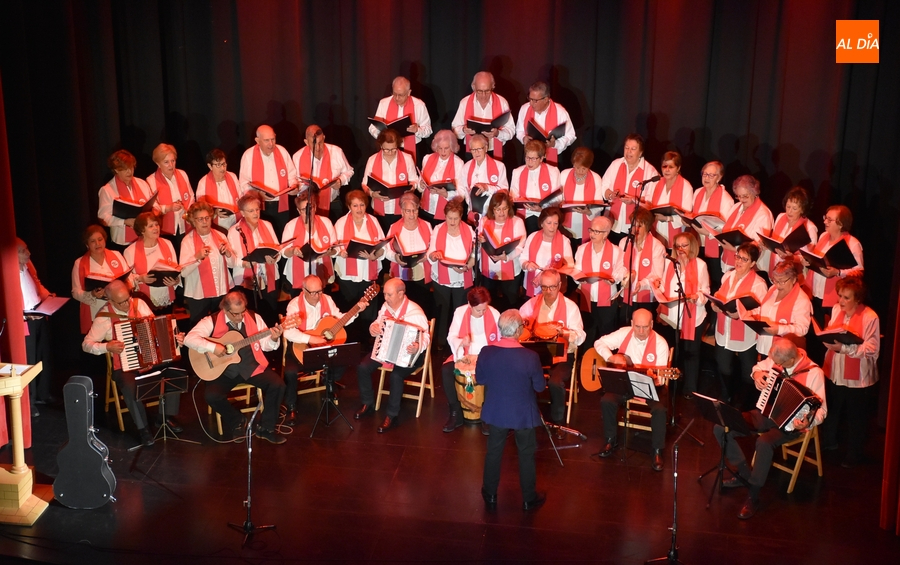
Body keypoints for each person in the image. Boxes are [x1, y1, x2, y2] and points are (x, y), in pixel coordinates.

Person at [713, 338, 827, 519]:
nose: (774, 364)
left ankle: (754, 495)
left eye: (778, 363)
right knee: (722, 426)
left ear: (790, 360)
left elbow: (822, 411)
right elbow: (758, 366)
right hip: (766, 413)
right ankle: (744, 475)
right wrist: (756, 374)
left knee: (764, 442)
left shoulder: (814, 373)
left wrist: (808, 422)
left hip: (791, 425)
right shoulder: (778, 357)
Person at [82, 280, 183, 446]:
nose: (126, 304)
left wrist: (173, 337)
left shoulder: (139, 304)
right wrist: (106, 346)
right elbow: (86, 344)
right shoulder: (104, 317)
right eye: (121, 302)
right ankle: (143, 429)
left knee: (173, 370)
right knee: (129, 386)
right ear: (110, 301)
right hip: (125, 366)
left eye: (127, 298)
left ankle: (165, 417)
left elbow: (155, 328)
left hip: (150, 360)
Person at [183, 291, 286, 444]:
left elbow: (266, 346)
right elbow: (189, 339)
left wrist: (274, 338)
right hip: (223, 371)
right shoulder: (211, 320)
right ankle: (237, 420)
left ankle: (266, 429)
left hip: (250, 366)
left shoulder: (254, 317)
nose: (240, 317)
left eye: (242, 312)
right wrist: (213, 347)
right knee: (211, 396)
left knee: (277, 385)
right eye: (235, 314)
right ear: (225, 310)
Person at [477, 309, 547, 512]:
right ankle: (528, 498)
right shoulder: (530, 357)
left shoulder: (486, 352)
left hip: (496, 411)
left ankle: (489, 494)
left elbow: (481, 379)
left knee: (494, 452)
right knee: (526, 454)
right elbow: (540, 387)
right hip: (523, 414)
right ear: (518, 331)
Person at [281, 275, 367, 426]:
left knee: (343, 359)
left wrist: (356, 311)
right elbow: (288, 332)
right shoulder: (294, 305)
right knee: (290, 372)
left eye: (319, 292)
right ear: (303, 290)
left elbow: (339, 319)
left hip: (322, 349)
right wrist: (311, 339)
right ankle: (292, 406)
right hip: (300, 348)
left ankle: (329, 383)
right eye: (312, 292)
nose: (317, 296)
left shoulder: (327, 299)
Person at [594, 308, 670, 471]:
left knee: (659, 409)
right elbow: (599, 342)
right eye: (637, 327)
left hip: (649, 385)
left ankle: (657, 450)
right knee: (607, 400)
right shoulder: (624, 333)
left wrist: (654, 378)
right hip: (625, 383)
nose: (641, 332)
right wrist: (610, 357)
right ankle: (610, 439)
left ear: (652, 324)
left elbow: (662, 378)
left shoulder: (660, 343)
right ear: (631, 324)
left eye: (645, 327)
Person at [354, 278, 430, 433]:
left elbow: (425, 336)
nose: (385, 298)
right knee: (363, 367)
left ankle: (392, 415)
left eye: (389, 295)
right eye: (385, 294)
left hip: (411, 354)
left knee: (396, 376)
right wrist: (373, 328)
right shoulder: (385, 307)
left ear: (401, 294)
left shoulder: (415, 312)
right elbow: (377, 322)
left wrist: (417, 346)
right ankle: (367, 403)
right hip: (386, 349)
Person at [820, 277, 879, 468]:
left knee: (856, 418)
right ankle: (829, 442)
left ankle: (855, 454)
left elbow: (872, 349)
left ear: (858, 299)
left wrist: (846, 348)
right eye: (840, 296)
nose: (841, 301)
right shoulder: (837, 310)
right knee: (832, 410)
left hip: (858, 379)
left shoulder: (870, 317)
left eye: (846, 297)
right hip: (835, 371)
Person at [518, 269, 585, 426]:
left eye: (552, 287)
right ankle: (528, 416)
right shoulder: (532, 304)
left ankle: (557, 421)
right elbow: (518, 324)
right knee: (520, 375)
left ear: (560, 285)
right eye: (544, 287)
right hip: (537, 354)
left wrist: (565, 332)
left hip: (562, 354)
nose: (548, 292)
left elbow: (581, 337)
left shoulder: (571, 307)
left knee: (555, 382)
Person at [803, 205, 864, 363]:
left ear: (841, 223)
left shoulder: (852, 243)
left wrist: (838, 273)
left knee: (828, 338)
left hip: (833, 298)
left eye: (830, 219)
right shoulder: (824, 236)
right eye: (826, 217)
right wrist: (807, 261)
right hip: (814, 293)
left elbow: (859, 271)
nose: (825, 221)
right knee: (813, 336)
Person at [651, 231, 709, 397]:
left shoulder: (700, 265)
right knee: (672, 352)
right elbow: (664, 287)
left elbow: (705, 291)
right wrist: (657, 286)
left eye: (685, 245)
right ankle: (669, 386)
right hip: (671, 316)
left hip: (693, 315)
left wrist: (696, 297)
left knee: (691, 354)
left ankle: (689, 389)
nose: (681, 249)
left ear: (692, 246)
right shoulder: (670, 263)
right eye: (678, 246)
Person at [711, 242, 768, 408]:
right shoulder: (727, 276)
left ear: (752, 263)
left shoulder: (758, 284)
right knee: (723, 366)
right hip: (724, 330)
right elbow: (720, 295)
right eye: (737, 256)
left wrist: (741, 314)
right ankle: (726, 396)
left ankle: (744, 405)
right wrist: (715, 304)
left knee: (747, 371)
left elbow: (761, 313)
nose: (738, 261)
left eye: (744, 259)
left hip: (746, 335)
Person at [442, 287, 501, 432]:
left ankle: (487, 415)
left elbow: (500, 339)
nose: (482, 313)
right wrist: (461, 342)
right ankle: (455, 413)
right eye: (478, 310)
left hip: (487, 356)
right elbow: (451, 336)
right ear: (470, 305)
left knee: (493, 372)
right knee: (446, 370)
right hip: (464, 355)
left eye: (484, 309)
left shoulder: (494, 313)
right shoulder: (460, 312)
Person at [333, 190, 386, 342]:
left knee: (368, 310)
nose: (359, 209)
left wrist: (375, 255)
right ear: (349, 206)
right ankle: (350, 342)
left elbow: (383, 245)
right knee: (350, 310)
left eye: (362, 205)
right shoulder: (341, 223)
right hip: (348, 275)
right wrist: (340, 252)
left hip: (367, 273)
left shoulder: (373, 221)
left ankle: (368, 342)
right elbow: (333, 246)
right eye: (355, 205)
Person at [427, 197, 476, 351]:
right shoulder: (438, 229)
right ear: (445, 216)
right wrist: (434, 255)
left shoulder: (468, 230)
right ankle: (441, 342)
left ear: (461, 217)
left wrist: (467, 267)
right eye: (449, 218)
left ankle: (461, 342)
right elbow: (431, 251)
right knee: (442, 310)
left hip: (462, 277)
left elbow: (474, 255)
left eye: (456, 218)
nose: (452, 222)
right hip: (441, 276)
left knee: (460, 310)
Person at [227, 192, 282, 325]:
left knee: (270, 313)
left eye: (257, 209)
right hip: (245, 280)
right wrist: (245, 264)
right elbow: (231, 261)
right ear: (242, 212)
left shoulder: (267, 225)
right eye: (251, 210)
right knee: (251, 317)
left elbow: (278, 251)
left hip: (269, 277)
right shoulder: (234, 231)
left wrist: (274, 258)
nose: (255, 213)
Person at [179, 200, 236, 327]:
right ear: (193, 221)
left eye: (207, 218)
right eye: (200, 219)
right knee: (199, 327)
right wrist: (197, 257)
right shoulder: (187, 241)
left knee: (221, 325)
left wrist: (227, 253)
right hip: (198, 294)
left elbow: (232, 264)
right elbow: (183, 272)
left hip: (220, 291)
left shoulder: (220, 235)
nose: (204, 222)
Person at [238, 124, 299, 237]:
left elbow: (292, 175)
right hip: (260, 206)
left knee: (282, 236)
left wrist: (294, 186)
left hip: (281, 205)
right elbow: (243, 183)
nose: (271, 144)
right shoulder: (249, 155)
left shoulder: (282, 151)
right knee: (265, 237)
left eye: (273, 139)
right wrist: (257, 193)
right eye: (266, 140)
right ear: (257, 140)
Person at [574, 216, 627, 343]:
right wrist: (580, 279)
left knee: (606, 334)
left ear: (606, 234)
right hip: (587, 298)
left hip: (607, 300)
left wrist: (613, 279)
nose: (592, 234)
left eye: (596, 231)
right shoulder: (582, 249)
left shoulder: (615, 251)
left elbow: (622, 270)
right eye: (591, 230)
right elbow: (576, 270)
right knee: (588, 333)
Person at [71, 225, 131, 333]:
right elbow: (75, 292)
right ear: (87, 244)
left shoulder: (116, 255)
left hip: (119, 310)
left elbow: (129, 279)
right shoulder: (79, 263)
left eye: (100, 239)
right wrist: (93, 294)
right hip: (96, 313)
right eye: (93, 241)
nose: (98, 244)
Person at [18, 238, 54, 413]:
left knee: (42, 357)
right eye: (23, 251)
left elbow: (37, 287)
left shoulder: (27, 267)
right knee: (29, 361)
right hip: (24, 322)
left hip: (38, 316)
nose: (28, 253)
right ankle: (29, 403)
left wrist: (48, 299)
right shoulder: (9, 273)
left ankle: (42, 393)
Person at [291, 124, 354, 223]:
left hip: (332, 204)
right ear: (306, 142)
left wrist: (340, 181)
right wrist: (296, 186)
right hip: (308, 206)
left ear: (324, 137)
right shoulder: (297, 157)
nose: (318, 147)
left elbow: (349, 171)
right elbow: (293, 180)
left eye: (320, 142)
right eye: (314, 143)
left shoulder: (336, 152)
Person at [362, 128, 419, 234]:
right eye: (386, 150)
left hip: (401, 208)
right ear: (381, 146)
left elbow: (414, 180)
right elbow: (365, 183)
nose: (390, 153)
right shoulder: (372, 160)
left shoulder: (407, 158)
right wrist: (372, 194)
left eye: (393, 149)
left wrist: (411, 189)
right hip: (380, 209)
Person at [384, 192, 433, 315]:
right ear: (402, 211)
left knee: (421, 307)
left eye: (415, 210)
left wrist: (426, 256)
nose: (412, 215)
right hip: (400, 275)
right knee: (401, 309)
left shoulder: (427, 225)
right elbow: (386, 251)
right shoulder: (394, 227)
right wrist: (395, 257)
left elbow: (433, 247)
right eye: (408, 211)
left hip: (421, 273)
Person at [602, 134, 660, 237]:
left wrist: (634, 200)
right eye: (626, 148)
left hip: (636, 226)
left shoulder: (650, 171)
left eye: (633, 149)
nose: (629, 152)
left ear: (640, 152)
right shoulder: (616, 164)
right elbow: (603, 186)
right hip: (613, 223)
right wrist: (611, 195)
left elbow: (652, 201)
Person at [98, 149, 158, 247]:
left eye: (131, 167)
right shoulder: (107, 190)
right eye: (125, 169)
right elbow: (103, 217)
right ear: (116, 170)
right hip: (124, 242)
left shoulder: (142, 183)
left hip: (145, 238)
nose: (129, 172)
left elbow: (154, 205)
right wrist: (124, 222)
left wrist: (155, 211)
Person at [281, 189, 338, 294]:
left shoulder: (326, 222)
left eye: (310, 208)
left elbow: (336, 249)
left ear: (315, 207)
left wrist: (330, 252)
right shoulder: (291, 226)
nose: (308, 212)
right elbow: (283, 252)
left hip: (323, 272)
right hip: (298, 274)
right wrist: (293, 251)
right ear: (298, 211)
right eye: (303, 209)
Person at [478, 191, 527, 311]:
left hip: (510, 269)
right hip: (489, 269)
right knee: (489, 303)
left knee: (510, 304)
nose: (501, 212)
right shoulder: (484, 221)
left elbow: (520, 246)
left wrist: (506, 257)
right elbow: (477, 244)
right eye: (498, 209)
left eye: (505, 208)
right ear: (492, 209)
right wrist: (480, 240)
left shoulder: (517, 222)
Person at [123, 212, 180, 314]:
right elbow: (127, 279)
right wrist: (141, 278)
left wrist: (175, 281)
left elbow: (176, 269)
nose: (155, 228)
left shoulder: (168, 243)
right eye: (150, 226)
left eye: (156, 224)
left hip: (166, 298)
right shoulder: (130, 251)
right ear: (142, 230)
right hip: (144, 301)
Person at [451, 71, 516, 160]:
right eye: (480, 91)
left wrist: (497, 133)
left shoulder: (502, 102)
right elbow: (455, 129)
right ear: (473, 87)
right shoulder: (464, 103)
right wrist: (464, 130)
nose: (483, 95)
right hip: (472, 152)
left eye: (487, 91)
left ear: (493, 86)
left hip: (494, 151)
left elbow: (511, 130)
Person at [691, 160, 734, 293]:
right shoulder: (698, 192)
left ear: (719, 178)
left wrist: (707, 233)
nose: (707, 178)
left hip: (715, 246)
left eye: (711, 175)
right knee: (698, 279)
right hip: (698, 243)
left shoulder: (726, 199)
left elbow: (726, 228)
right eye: (705, 174)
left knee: (713, 281)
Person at [367, 76, 433, 162]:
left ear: (409, 92)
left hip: (412, 149)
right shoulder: (384, 103)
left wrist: (417, 130)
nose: (397, 98)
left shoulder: (419, 105)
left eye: (401, 95)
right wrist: (382, 136)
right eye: (394, 94)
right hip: (388, 149)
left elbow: (428, 130)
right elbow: (372, 127)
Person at [756, 259, 812, 358]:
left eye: (782, 282)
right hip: (765, 344)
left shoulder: (801, 300)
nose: (777, 285)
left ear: (794, 279)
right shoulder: (773, 289)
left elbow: (802, 329)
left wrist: (779, 329)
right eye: (775, 280)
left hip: (783, 352)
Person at [757, 186, 817, 279]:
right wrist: (766, 245)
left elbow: (808, 259)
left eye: (794, 208)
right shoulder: (781, 217)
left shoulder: (810, 228)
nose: (789, 211)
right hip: (774, 271)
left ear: (803, 209)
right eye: (788, 206)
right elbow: (775, 242)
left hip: (793, 275)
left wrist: (792, 257)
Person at [718, 175, 773, 274]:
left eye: (745, 196)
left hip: (748, 267)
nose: (741, 199)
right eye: (738, 196)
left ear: (754, 192)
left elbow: (757, 246)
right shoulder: (736, 207)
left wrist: (734, 249)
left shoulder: (763, 214)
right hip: (728, 261)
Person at [619, 207, 666, 320]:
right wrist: (626, 277)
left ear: (648, 227)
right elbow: (619, 266)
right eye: (634, 225)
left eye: (640, 226)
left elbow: (657, 275)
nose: (636, 229)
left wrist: (641, 284)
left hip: (646, 297)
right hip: (626, 295)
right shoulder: (624, 242)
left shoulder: (657, 246)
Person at [515, 80, 576, 167]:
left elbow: (571, 135)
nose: (531, 103)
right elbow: (519, 130)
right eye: (530, 99)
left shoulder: (560, 112)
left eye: (535, 100)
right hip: (530, 157)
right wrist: (523, 138)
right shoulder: (525, 109)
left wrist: (555, 144)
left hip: (552, 157)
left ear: (546, 99)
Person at [145, 143, 195, 248]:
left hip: (185, 224)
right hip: (165, 229)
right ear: (158, 163)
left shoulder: (182, 174)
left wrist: (188, 209)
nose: (171, 165)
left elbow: (190, 196)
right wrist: (169, 208)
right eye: (166, 162)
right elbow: (152, 207)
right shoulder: (151, 180)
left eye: (173, 161)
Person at [509, 140, 561, 234]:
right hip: (524, 216)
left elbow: (557, 198)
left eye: (533, 159)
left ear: (541, 158)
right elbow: (513, 196)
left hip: (545, 215)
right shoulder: (517, 172)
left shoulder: (553, 171)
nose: (529, 162)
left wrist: (542, 208)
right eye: (527, 158)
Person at [520, 207, 573, 298]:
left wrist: (556, 270)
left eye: (555, 223)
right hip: (533, 284)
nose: (552, 227)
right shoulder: (532, 237)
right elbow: (523, 258)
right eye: (549, 223)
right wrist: (527, 265)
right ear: (541, 223)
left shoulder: (564, 241)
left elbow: (570, 265)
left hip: (553, 287)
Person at [644, 151, 693, 248]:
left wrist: (667, 218)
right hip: (657, 229)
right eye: (664, 166)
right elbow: (648, 203)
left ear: (678, 168)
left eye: (671, 167)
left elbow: (687, 216)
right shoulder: (657, 183)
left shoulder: (686, 187)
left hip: (677, 232)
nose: (667, 170)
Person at [417, 129, 464, 225]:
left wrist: (446, 194)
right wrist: (421, 185)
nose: (443, 152)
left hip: (446, 213)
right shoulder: (427, 158)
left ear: (452, 147)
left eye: (446, 148)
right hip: (426, 209)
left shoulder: (458, 163)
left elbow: (462, 194)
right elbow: (419, 185)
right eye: (440, 148)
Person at [559, 147, 604, 244]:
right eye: (577, 167)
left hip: (588, 225)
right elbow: (558, 198)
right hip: (566, 224)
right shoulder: (564, 174)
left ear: (589, 166)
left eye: (584, 169)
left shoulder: (596, 178)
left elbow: (599, 203)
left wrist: (589, 211)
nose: (580, 171)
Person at [458, 134, 509, 218]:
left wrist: (487, 187)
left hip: (493, 211)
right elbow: (465, 190)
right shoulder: (466, 167)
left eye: (479, 149)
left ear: (486, 148)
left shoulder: (499, 166)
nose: (476, 152)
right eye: (473, 150)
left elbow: (504, 191)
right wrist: (472, 203)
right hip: (473, 212)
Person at [195, 148, 242, 230]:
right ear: (210, 166)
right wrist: (214, 212)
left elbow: (241, 197)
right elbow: (200, 207)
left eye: (224, 164)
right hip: (217, 224)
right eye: (218, 165)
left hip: (236, 221)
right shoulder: (203, 182)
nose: (222, 168)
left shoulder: (232, 177)